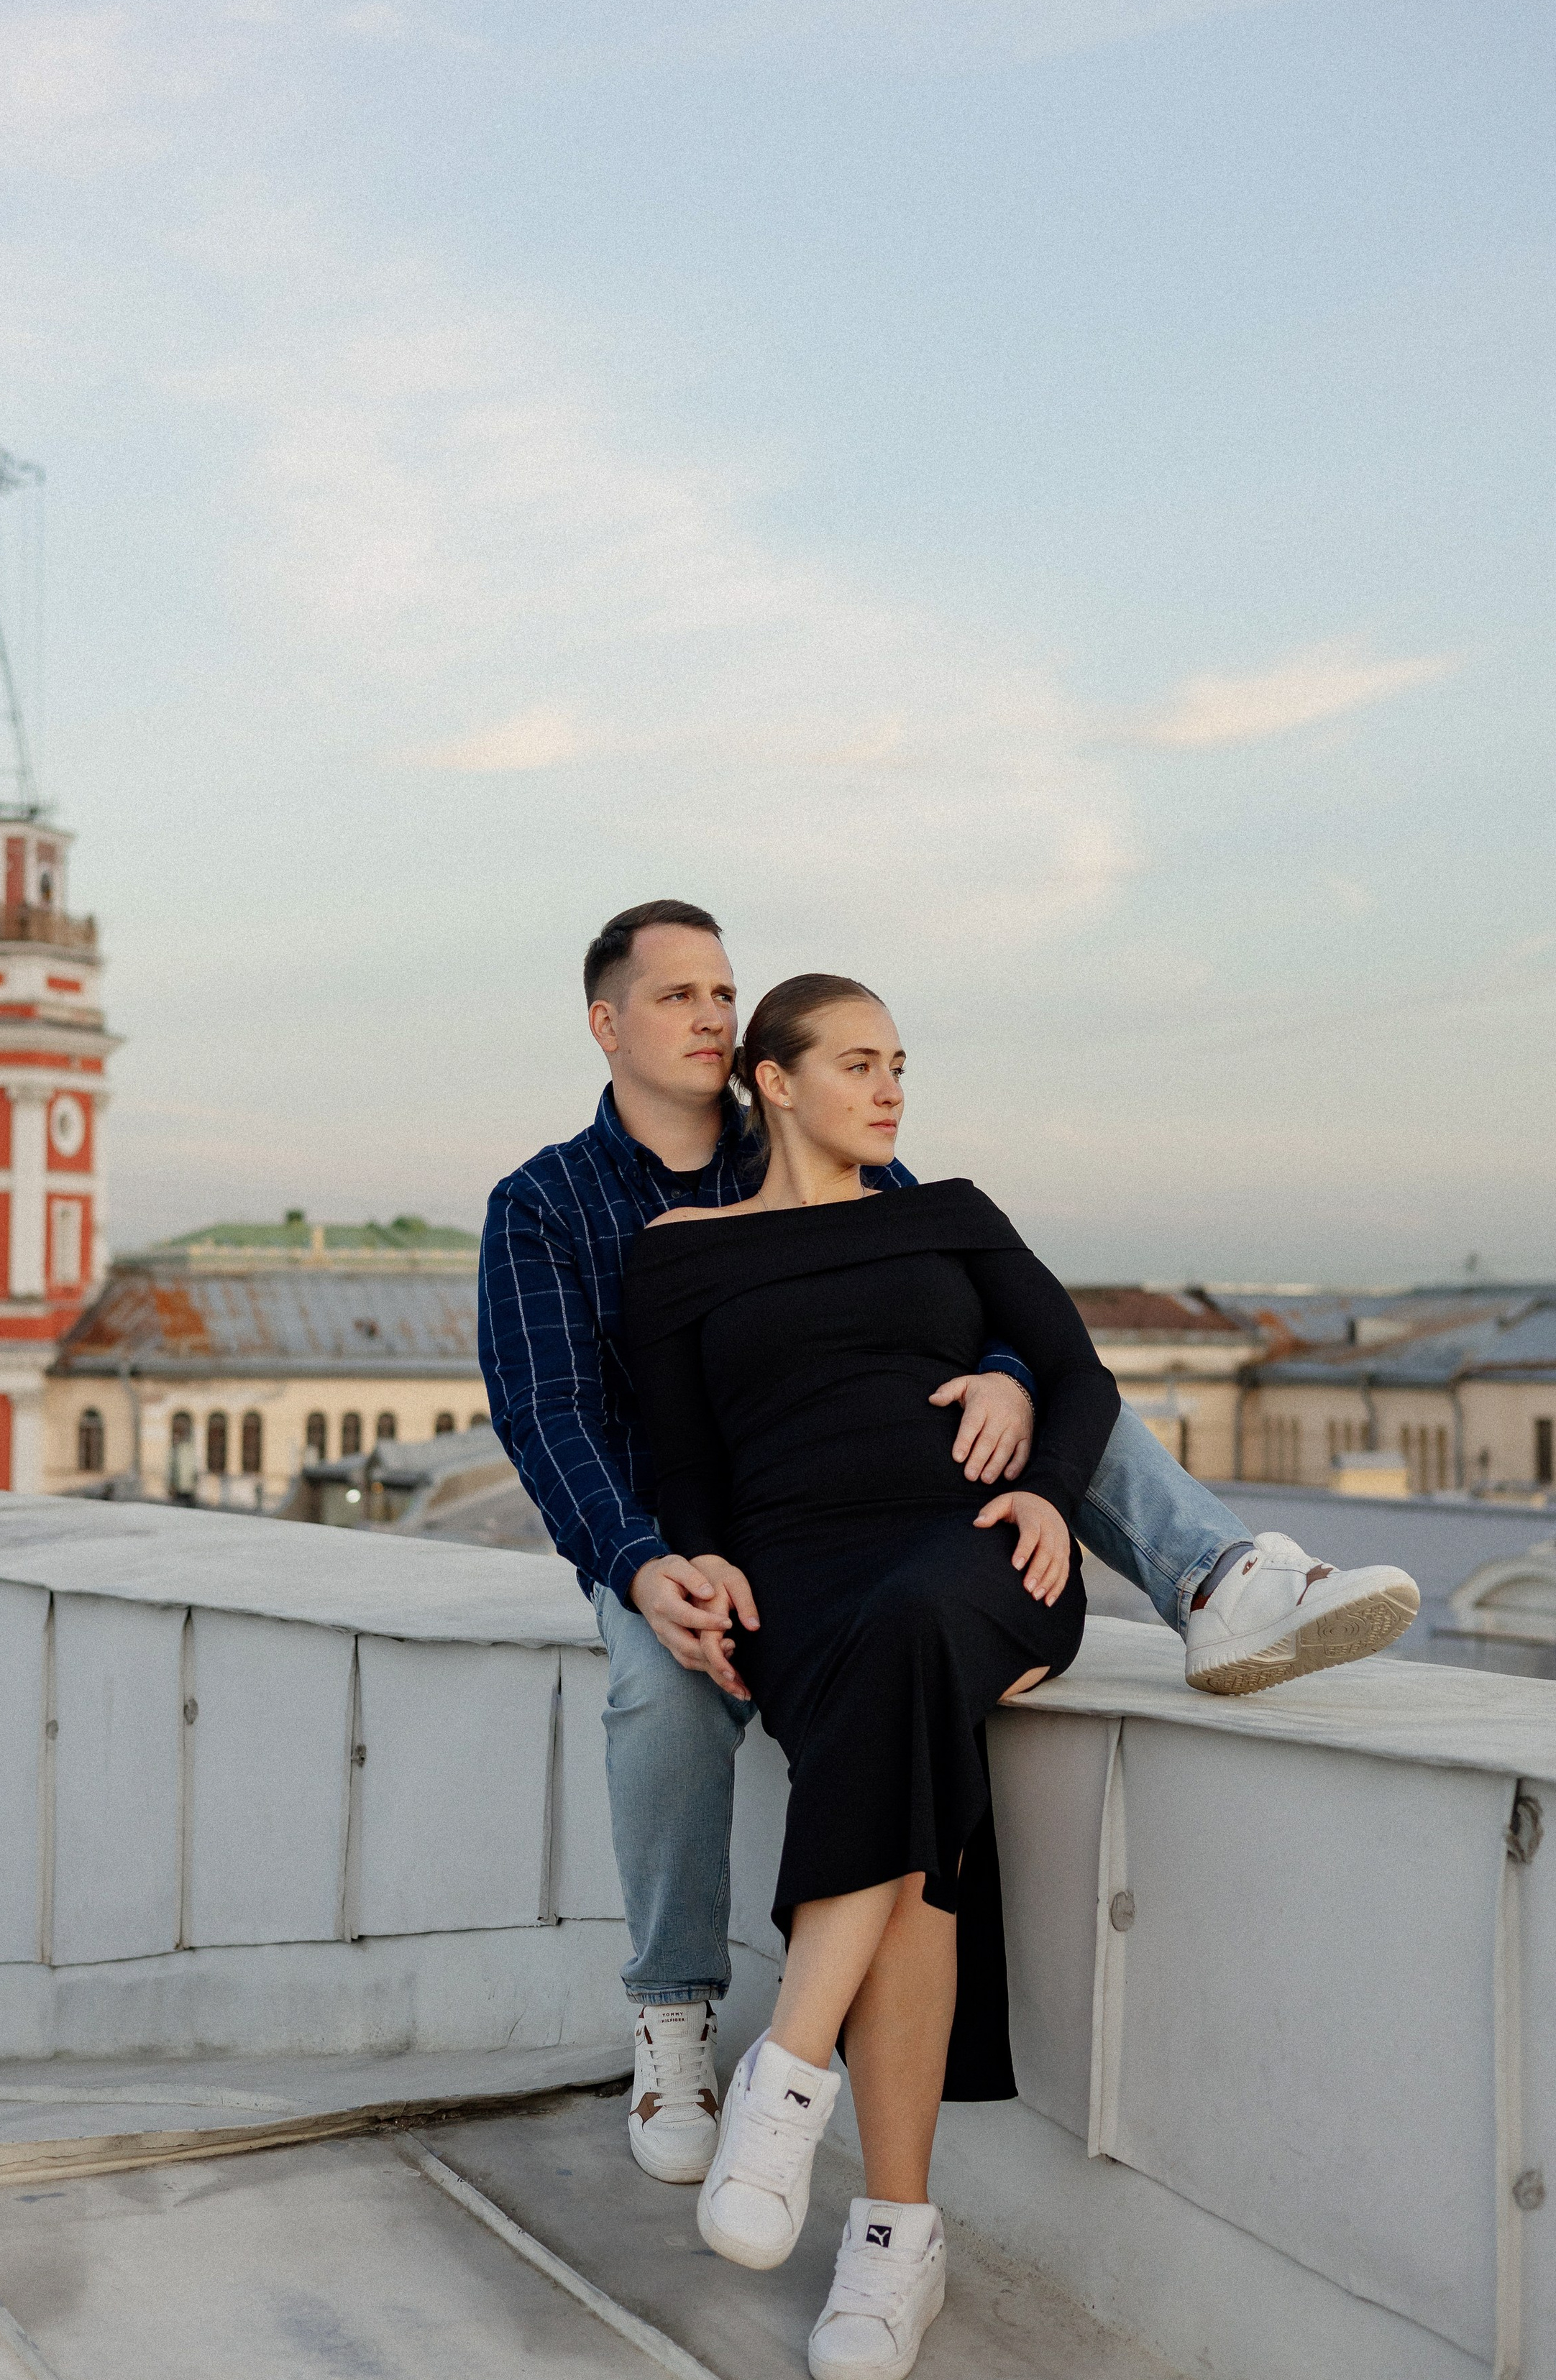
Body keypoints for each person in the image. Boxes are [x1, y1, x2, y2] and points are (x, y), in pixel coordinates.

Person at [477, 901, 1419, 2198]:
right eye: (677, 996)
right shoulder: (554, 1207)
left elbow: (953, 1303)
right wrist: (647, 1564)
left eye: (722, 992)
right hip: (688, 1538)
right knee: (660, 1688)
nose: (708, 1015)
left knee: (1022, 1415)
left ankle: (1217, 1577)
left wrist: (1003, 1378)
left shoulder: (845, 1154)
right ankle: (679, 2013)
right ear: (606, 1024)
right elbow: (550, 1417)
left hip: (901, 1514)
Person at [624, 970, 1121, 2380]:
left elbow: (1075, 1375)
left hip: (977, 1553)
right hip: (797, 1580)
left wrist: (1044, 1483)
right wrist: (700, 1563)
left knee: (909, 1640)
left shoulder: (949, 1213)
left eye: (899, 1062)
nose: (890, 1086)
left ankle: (785, 2079)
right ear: (772, 1082)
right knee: (909, 1806)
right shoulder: (676, 1256)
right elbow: (681, 1464)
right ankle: (895, 2237)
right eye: (856, 1062)